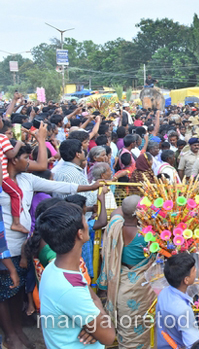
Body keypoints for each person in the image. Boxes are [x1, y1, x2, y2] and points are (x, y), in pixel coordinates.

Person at [0, 143, 102, 349]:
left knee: (17, 289)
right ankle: (9, 335)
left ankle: (18, 330)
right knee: (5, 291)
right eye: (25, 158)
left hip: (22, 244)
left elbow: (57, 186)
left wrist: (90, 187)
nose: (29, 162)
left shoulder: (27, 179)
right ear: (12, 159)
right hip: (5, 246)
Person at [38, 202, 115, 349]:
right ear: (80, 233)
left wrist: (93, 325)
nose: (88, 223)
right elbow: (108, 336)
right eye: (85, 220)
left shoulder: (55, 267)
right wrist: (98, 312)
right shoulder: (70, 289)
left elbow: (86, 294)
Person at [98, 195, 155, 348]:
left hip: (120, 285)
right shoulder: (147, 235)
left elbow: (118, 211)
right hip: (140, 287)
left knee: (126, 330)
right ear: (140, 214)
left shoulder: (115, 225)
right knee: (141, 327)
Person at [156, 252, 199, 349]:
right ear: (186, 280)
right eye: (193, 270)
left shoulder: (164, 293)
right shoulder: (183, 311)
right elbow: (193, 345)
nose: (196, 270)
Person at [53, 139, 97, 218]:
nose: (84, 152)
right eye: (81, 150)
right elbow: (81, 201)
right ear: (78, 154)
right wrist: (98, 191)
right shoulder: (73, 174)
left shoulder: (61, 170)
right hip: (73, 218)